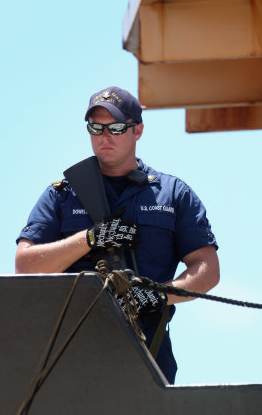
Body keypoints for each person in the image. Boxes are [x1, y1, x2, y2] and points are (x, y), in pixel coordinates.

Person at [15, 86, 220, 384]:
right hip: (70, 352)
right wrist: (89, 238)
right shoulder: (61, 197)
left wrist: (156, 295)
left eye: (116, 128)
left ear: (137, 131)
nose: (104, 136)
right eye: (96, 127)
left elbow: (208, 270)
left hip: (149, 348)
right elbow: (25, 267)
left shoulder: (173, 195)